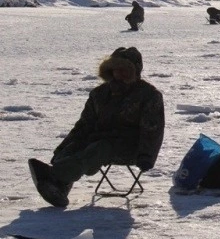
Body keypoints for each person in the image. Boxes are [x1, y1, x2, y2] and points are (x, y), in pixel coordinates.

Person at [28, 47, 165, 207]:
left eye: (124, 69)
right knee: (75, 148)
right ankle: (60, 187)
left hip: (131, 148)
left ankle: (55, 175)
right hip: (97, 141)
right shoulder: (99, 94)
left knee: (100, 148)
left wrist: (147, 156)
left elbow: (153, 130)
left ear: (134, 70)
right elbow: (84, 125)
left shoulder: (149, 95)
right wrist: (63, 148)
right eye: (115, 69)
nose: (119, 73)